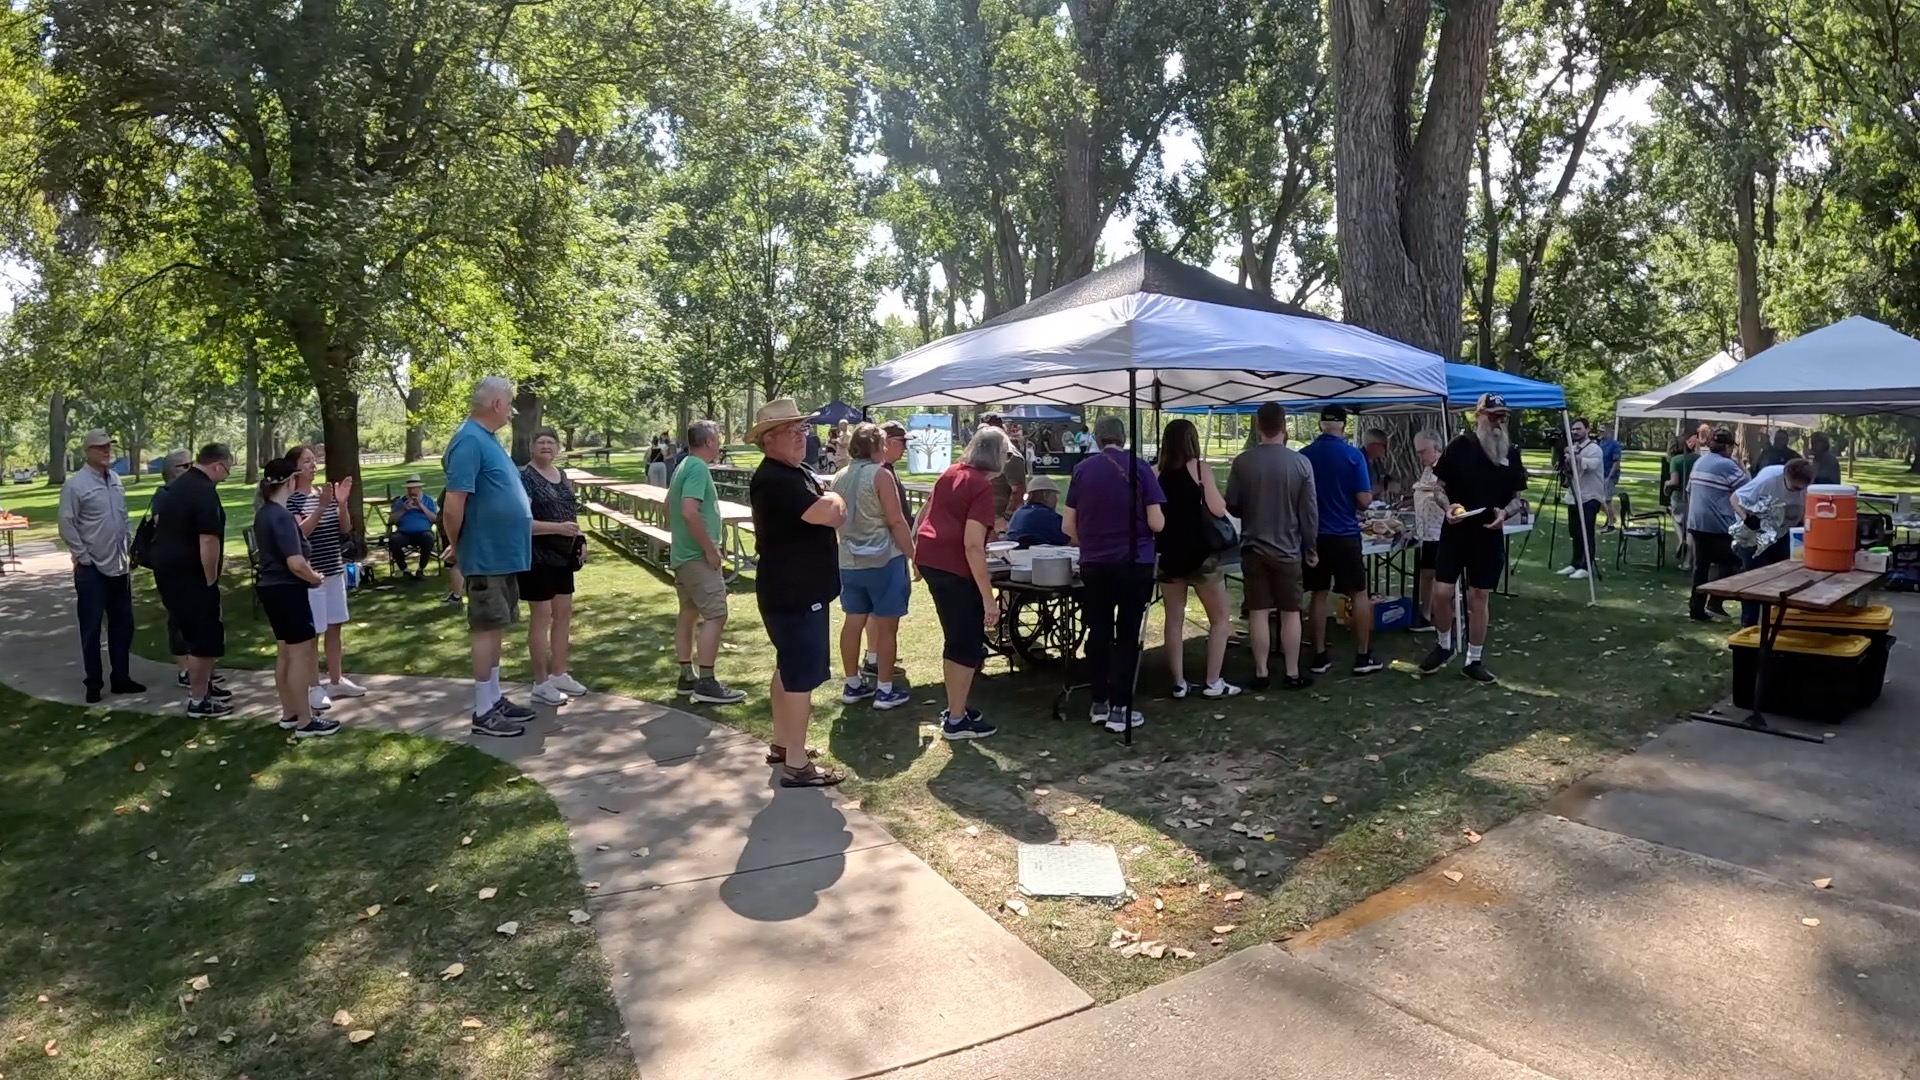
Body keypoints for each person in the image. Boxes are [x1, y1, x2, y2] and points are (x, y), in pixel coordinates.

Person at [749, 398, 849, 786]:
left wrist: (833, 500)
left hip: (797, 589)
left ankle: (783, 743)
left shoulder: (797, 473)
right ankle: (796, 764)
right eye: (791, 431)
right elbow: (829, 512)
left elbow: (831, 502)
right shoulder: (776, 478)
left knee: (787, 667)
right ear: (768, 440)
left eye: (803, 429)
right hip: (793, 592)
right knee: (800, 676)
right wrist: (835, 503)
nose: (801, 437)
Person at [444, 376, 540, 737]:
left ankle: (495, 698)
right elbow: (454, 505)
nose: (512, 410)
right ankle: (483, 712)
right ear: (497, 405)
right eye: (510, 403)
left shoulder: (485, 440)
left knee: (496, 626)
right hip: (484, 554)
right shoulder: (468, 441)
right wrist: (457, 544)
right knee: (485, 629)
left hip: (502, 554)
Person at [1065, 415, 1165, 733]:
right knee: (1126, 634)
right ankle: (1121, 707)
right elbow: (1156, 522)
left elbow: (1067, 525)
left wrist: (1091, 541)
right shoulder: (1141, 468)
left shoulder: (1082, 470)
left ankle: (1099, 701)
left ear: (1096, 438)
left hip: (1094, 564)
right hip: (1134, 563)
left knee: (1098, 632)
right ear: (1123, 437)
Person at [1419, 395, 1529, 683]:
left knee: (1478, 597)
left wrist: (1504, 513)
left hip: (1488, 535)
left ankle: (1474, 659)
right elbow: (1437, 489)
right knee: (1441, 594)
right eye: (1494, 416)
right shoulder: (1460, 446)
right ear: (1479, 415)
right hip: (1456, 531)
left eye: (1503, 416)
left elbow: (1519, 500)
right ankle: (1444, 644)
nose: (1499, 422)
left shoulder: (1511, 453)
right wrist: (1449, 507)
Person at [914, 426, 1007, 741]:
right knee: (965, 642)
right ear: (995, 455)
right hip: (953, 567)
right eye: (1006, 454)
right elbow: (971, 545)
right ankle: (956, 719)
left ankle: (957, 708)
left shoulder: (951, 472)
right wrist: (988, 598)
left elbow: (926, 514)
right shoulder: (980, 485)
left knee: (956, 638)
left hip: (931, 559)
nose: (1007, 460)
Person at [1227, 403, 1318, 689]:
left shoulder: (1243, 462)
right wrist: (1311, 547)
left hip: (1254, 548)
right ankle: (1292, 672)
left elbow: (1233, 504)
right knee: (1291, 611)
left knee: (1258, 610)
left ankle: (1261, 672)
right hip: (1289, 549)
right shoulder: (1301, 463)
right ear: (1284, 427)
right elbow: (1310, 513)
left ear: (1258, 426)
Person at [252, 457, 339, 738]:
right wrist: (315, 578)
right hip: (288, 590)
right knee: (301, 655)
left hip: (270, 588)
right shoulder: (281, 515)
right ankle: (305, 721)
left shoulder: (264, 512)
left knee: (286, 654)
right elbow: (296, 563)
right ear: (289, 481)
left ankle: (290, 713)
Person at [833, 422, 916, 711]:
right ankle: (884, 689)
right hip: (883, 559)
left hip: (849, 561)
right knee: (886, 626)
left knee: (853, 622)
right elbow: (896, 520)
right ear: (878, 446)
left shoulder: (840, 475)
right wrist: (912, 554)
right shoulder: (881, 475)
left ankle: (852, 683)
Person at [1154, 418, 1238, 700]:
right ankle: (1213, 680)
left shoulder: (1156, 473)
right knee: (1219, 619)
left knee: (1173, 619)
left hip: (1168, 553)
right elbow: (1217, 507)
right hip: (1201, 554)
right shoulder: (1200, 470)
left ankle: (1179, 682)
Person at [59, 429, 143, 703]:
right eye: (100, 447)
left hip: (119, 565)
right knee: (92, 628)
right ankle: (93, 683)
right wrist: (83, 556)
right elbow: (66, 524)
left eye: (109, 446)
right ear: (88, 451)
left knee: (123, 625)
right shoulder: (76, 485)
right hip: (92, 569)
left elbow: (122, 516)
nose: (107, 451)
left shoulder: (116, 479)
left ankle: (121, 678)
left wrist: (130, 547)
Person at [668, 420, 748, 705]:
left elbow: (670, 506)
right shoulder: (698, 468)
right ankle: (707, 681)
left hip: (683, 556)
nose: (720, 443)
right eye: (717, 437)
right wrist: (710, 550)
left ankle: (686, 676)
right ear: (710, 441)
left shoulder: (682, 465)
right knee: (716, 615)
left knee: (688, 612)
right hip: (696, 558)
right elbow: (690, 512)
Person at [151, 444, 234, 717]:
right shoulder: (203, 492)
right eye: (227, 470)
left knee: (193, 632)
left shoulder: (180, 486)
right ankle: (199, 700)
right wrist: (210, 580)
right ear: (217, 465)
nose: (226, 476)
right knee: (203, 637)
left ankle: (205, 687)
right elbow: (208, 539)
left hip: (169, 573)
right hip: (191, 576)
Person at [1300, 406, 1381, 676]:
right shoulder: (1353, 455)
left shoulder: (1305, 456)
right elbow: (1364, 499)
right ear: (1344, 426)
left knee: (1318, 593)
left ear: (1321, 424)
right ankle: (1362, 655)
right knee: (1358, 592)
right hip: (1345, 534)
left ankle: (1319, 654)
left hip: (1314, 535)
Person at [285, 445, 363, 713]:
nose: (312, 465)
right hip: (312, 576)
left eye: (313, 460)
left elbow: (345, 528)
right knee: (313, 634)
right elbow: (301, 532)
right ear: (295, 467)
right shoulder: (293, 500)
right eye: (306, 461)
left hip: (334, 570)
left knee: (334, 627)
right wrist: (320, 507)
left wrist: (340, 504)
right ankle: (313, 687)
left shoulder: (323, 494)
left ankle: (336, 679)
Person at [522, 428, 589, 707]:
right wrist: (558, 529)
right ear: (532, 447)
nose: (546, 446)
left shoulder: (562, 476)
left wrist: (579, 539)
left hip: (563, 557)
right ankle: (541, 683)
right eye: (541, 442)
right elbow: (521, 523)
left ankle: (559, 672)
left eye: (551, 442)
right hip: (537, 557)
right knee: (543, 615)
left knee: (563, 613)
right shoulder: (524, 477)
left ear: (558, 448)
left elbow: (569, 514)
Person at [1731, 458, 1813, 627]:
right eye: (1795, 487)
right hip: (1753, 535)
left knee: (1780, 578)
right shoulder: (1767, 481)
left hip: (1780, 532)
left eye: (1801, 487)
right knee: (1755, 580)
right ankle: (1749, 624)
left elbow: (1805, 512)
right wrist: (1747, 518)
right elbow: (1734, 498)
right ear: (1786, 476)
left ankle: (1775, 623)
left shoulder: (1805, 486)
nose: (1798, 491)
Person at [1686, 429, 1748, 622]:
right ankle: (1716, 602)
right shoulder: (1727, 465)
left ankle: (1697, 609)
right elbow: (1748, 488)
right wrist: (1741, 465)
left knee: (1701, 567)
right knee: (1736, 562)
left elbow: (1689, 490)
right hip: (1718, 524)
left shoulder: (1700, 461)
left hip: (1696, 522)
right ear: (1728, 447)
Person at [1409, 430, 1448, 634]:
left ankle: (1435, 615)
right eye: (1418, 452)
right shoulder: (1428, 467)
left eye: (1423, 451)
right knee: (1427, 574)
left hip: (1440, 531)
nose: (1420, 456)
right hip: (1428, 532)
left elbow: (1434, 490)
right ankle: (1425, 613)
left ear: (1437, 448)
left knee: (1435, 575)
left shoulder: (1445, 468)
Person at [1560, 418, 1606, 581]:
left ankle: (1586, 566)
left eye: (1578, 429)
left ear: (1587, 430)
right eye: (1573, 430)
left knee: (1586, 530)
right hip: (1574, 495)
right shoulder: (1572, 448)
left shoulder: (1594, 449)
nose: (1575, 432)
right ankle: (1575, 562)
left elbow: (1592, 466)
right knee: (1575, 531)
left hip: (1590, 495)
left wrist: (1574, 456)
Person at [387, 476, 440, 579]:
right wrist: (403, 509)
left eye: (415, 488)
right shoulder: (401, 502)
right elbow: (391, 521)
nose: (412, 491)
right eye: (410, 488)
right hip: (404, 533)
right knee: (394, 540)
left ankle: (421, 569)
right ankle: (405, 570)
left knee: (428, 538)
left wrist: (421, 507)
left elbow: (435, 519)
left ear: (420, 488)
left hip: (423, 532)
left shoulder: (428, 500)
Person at [981, 413, 1029, 526]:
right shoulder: (986, 453)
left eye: (991, 430)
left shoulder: (1010, 456)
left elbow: (1018, 490)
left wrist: (1007, 517)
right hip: (985, 516)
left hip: (1000, 519)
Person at [1005, 475, 1069, 546]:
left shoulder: (1019, 512)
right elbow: (1071, 539)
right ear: (1045, 495)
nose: (1056, 500)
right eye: (1054, 496)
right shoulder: (1046, 516)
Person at [1668, 434, 1700, 568]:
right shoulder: (1698, 459)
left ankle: (1681, 540)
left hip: (1678, 497)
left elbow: (1674, 482)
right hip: (1694, 498)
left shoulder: (1676, 460)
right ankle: (1688, 562)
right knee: (1691, 530)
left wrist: (1666, 484)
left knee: (1675, 519)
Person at [437, 484, 465, 605]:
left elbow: (447, 507)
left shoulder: (455, 487)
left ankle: (456, 595)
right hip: (450, 529)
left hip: (452, 530)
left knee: (454, 563)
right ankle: (457, 592)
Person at [1598, 425, 1624, 531]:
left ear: (1609, 431)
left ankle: (1610, 525)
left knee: (1607, 500)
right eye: (1599, 431)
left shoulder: (1614, 445)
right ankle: (1611, 518)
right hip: (1601, 475)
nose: (1600, 433)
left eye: (1602, 431)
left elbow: (1616, 462)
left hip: (1609, 475)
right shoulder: (1601, 443)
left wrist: (1609, 477)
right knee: (1598, 500)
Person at [1362, 429, 1393, 500]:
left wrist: (1390, 481)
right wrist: (1384, 487)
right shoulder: (1356, 462)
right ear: (1374, 446)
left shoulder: (1377, 461)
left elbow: (1383, 477)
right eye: (1385, 446)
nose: (1387, 449)